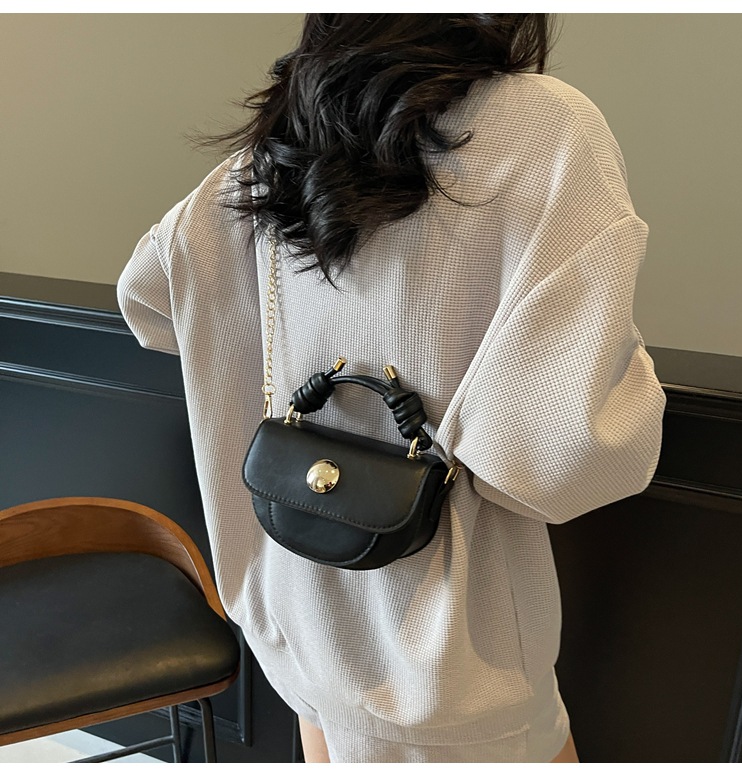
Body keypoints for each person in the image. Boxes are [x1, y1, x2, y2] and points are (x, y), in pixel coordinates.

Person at [117, 14, 665, 763]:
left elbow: (147, 294)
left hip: (301, 613)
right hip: (455, 657)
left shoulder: (292, 130)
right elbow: (556, 457)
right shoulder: (545, 125)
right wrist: (624, 370)